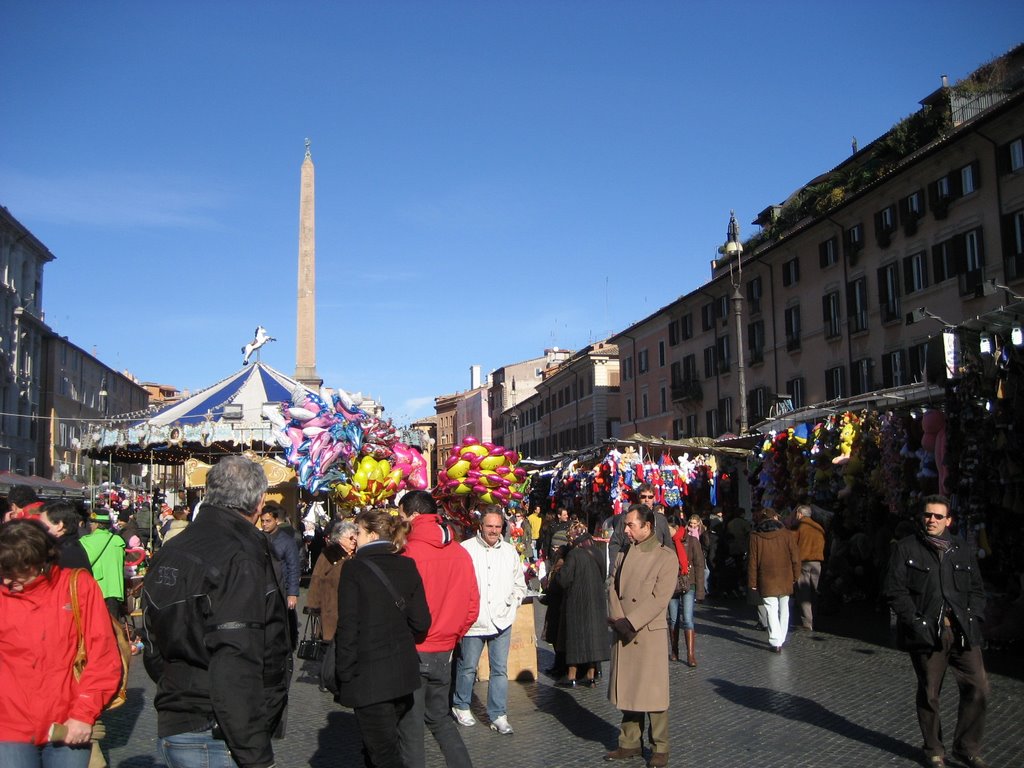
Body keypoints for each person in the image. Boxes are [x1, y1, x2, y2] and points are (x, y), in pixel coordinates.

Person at [141, 455, 291, 768]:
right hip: (218, 729)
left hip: (179, 716)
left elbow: (152, 638)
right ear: (259, 501)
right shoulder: (242, 556)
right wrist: (255, 753)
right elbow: (237, 655)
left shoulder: (173, 547)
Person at [0, 519, 122, 768]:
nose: (7, 582)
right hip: (9, 726)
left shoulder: (76, 586)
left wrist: (83, 713)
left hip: (68, 721)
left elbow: (103, 654)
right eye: (4, 573)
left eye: (15, 574)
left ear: (38, 563)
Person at [883, 495, 990, 768]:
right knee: (930, 693)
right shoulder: (906, 549)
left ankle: (967, 748)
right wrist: (917, 622)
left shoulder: (962, 549)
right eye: (928, 515)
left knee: (978, 687)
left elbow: (977, 589)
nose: (932, 520)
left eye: (938, 516)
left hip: (963, 630)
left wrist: (973, 616)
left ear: (948, 520)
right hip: (928, 632)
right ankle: (933, 749)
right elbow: (895, 590)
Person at [334, 508, 431, 768]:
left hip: (368, 678)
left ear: (373, 534)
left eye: (358, 532)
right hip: (403, 674)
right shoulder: (407, 564)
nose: (354, 538)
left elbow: (347, 627)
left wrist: (343, 672)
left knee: (384, 754)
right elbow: (422, 621)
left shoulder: (354, 569)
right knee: (381, 747)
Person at [398, 490, 480, 768]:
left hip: (414, 648)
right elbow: (472, 606)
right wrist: (453, 635)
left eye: (401, 516)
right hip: (445, 650)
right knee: (440, 718)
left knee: (411, 727)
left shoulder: (408, 552)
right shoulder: (460, 552)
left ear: (414, 516)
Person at [605, 505, 679, 767]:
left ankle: (660, 747)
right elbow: (612, 584)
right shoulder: (624, 553)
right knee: (630, 688)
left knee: (653, 693)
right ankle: (629, 742)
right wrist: (617, 617)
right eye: (626, 525)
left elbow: (660, 598)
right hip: (624, 628)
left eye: (631, 525)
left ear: (647, 527)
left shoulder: (666, 557)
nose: (626, 529)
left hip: (647, 631)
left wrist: (632, 621)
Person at [452, 505, 527, 735]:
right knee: (467, 667)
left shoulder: (509, 552)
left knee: (499, 670)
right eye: (489, 526)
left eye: (497, 526)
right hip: (474, 621)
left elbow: (519, 583)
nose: (494, 531)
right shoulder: (465, 550)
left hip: (501, 619)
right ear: (480, 526)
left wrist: (513, 601)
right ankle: (461, 705)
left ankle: (498, 714)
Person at [552, 521, 609, 687]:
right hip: (596, 602)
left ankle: (572, 675)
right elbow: (603, 575)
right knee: (593, 640)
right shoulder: (597, 552)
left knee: (575, 639)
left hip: (577, 601)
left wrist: (557, 572)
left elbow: (564, 580)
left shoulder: (574, 555)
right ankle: (591, 676)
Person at [748, 508, 800, 653]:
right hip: (785, 576)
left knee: (771, 608)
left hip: (766, 577)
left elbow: (753, 561)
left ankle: (775, 640)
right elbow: (795, 557)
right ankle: (781, 638)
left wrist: (752, 582)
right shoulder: (787, 535)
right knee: (784, 608)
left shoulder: (755, 536)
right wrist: (796, 576)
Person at [261, 501, 301, 648]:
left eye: (268, 521)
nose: (265, 524)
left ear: (276, 520)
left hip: (281, 586)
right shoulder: (260, 538)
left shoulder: (287, 541)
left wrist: (292, 593)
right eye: (263, 521)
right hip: (265, 587)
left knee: (284, 620)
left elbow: (293, 567)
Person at [606, 483, 672, 567]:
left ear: (654, 498)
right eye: (643, 497)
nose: (647, 500)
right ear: (638, 497)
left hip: (655, 567)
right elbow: (615, 544)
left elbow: (668, 546)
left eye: (650, 497)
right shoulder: (626, 518)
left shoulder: (661, 520)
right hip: (631, 566)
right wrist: (616, 567)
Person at [670, 514, 706, 667]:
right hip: (671, 585)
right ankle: (674, 650)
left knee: (688, 618)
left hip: (688, 584)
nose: (667, 531)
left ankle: (690, 655)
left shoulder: (692, 541)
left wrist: (700, 590)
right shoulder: (666, 543)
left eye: (669, 528)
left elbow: (699, 565)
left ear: (676, 527)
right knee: (673, 619)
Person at [79, 509, 126, 618]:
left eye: (92, 523)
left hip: (95, 590)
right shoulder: (117, 540)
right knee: (114, 626)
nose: (90, 526)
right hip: (115, 590)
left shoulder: (85, 542)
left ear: (96, 524)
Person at [793, 504, 826, 631]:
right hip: (817, 562)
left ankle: (807, 621)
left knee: (804, 593)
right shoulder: (818, 527)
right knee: (815, 591)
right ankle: (815, 618)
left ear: (800, 514)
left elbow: (794, 545)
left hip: (804, 562)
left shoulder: (799, 527)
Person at [39, 500, 92, 571]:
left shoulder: (66, 554)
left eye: (43, 525)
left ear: (59, 525)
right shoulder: (67, 546)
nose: (39, 528)